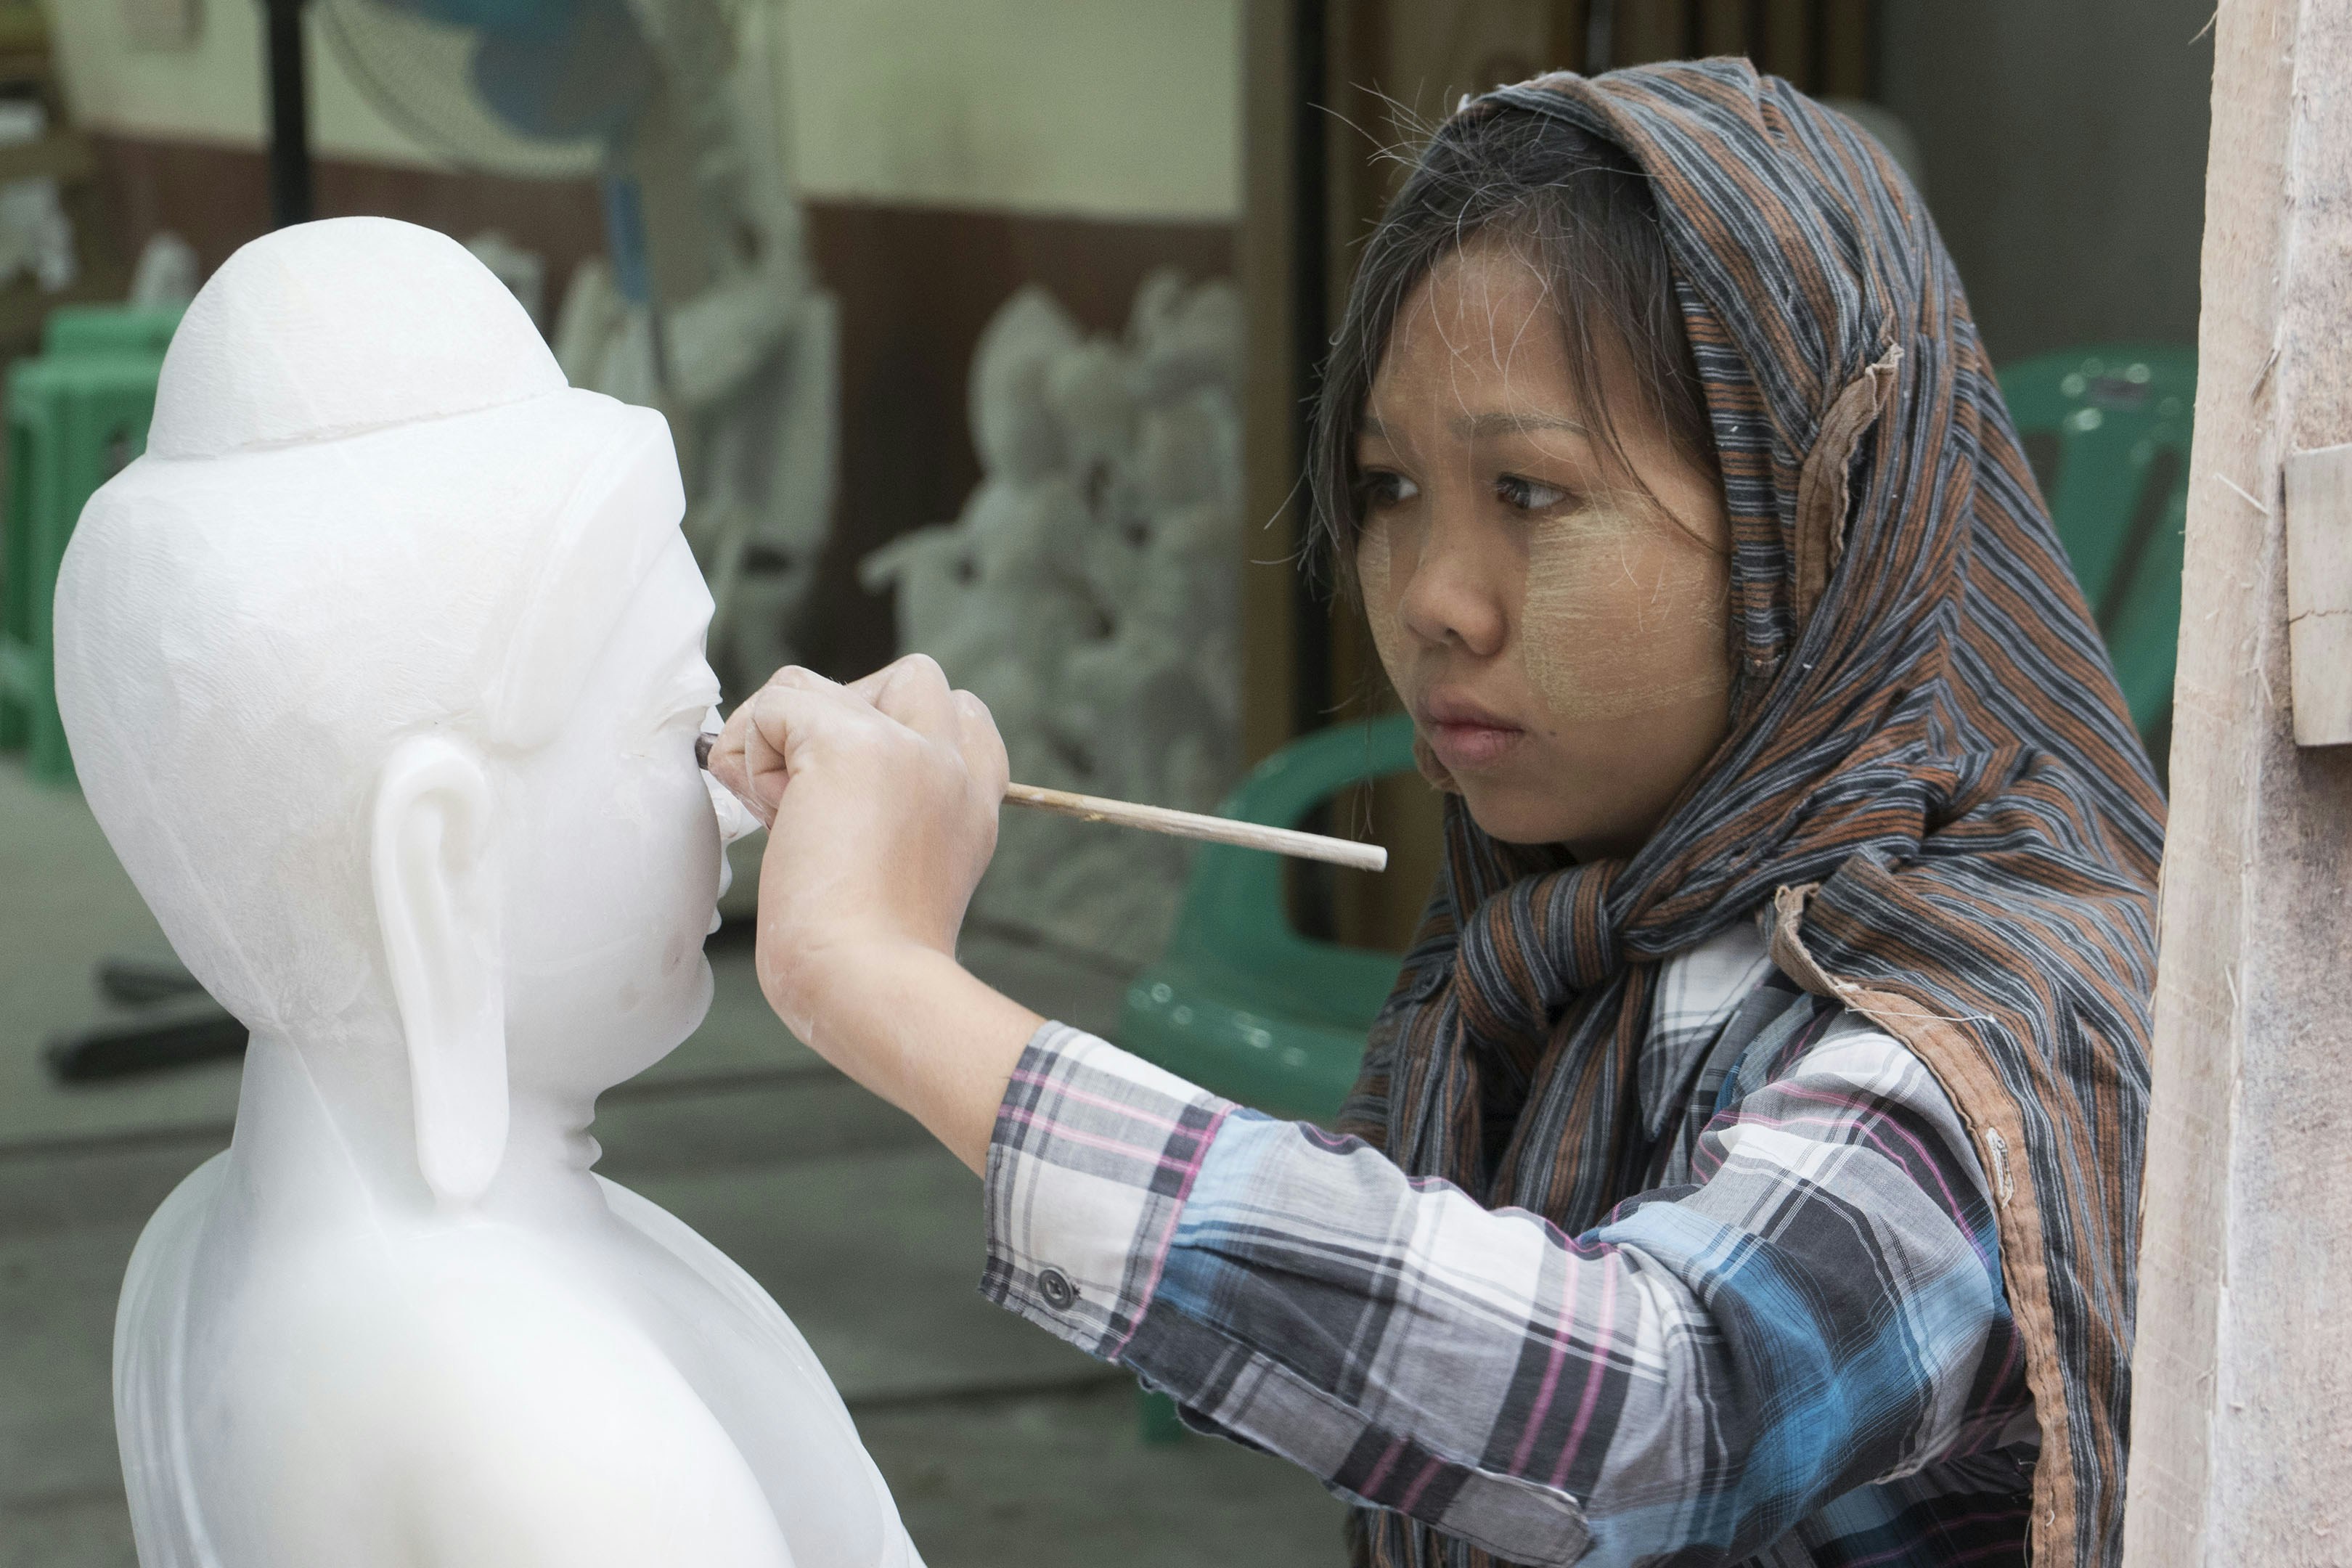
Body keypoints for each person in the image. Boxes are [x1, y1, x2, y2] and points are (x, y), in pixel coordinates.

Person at [709, 61, 2160, 1568]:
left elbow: (1654, 1411)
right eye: (1392, 487)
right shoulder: (1585, 935)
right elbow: (1373, 1346)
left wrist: (886, 981)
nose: (1430, 599)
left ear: (1817, 507)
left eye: (1530, 492)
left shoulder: (2010, 1019)